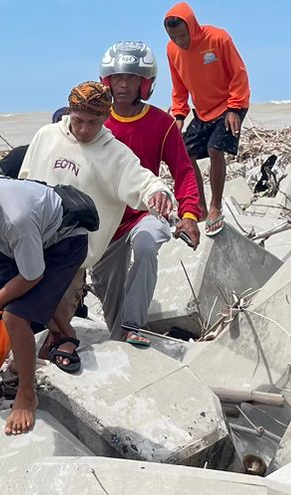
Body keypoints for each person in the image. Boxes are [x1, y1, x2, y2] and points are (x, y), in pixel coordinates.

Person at [0, 155, 173, 435]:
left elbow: (32, 275)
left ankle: (27, 392)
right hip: (18, 245)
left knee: (15, 317)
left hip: (64, 242)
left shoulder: (17, 216)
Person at [18, 81, 175, 368]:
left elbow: (143, 181)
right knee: (17, 314)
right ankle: (16, 368)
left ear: (106, 118)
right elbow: (24, 181)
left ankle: (48, 373)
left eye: (93, 122)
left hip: (72, 257)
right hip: (31, 243)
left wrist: (159, 194)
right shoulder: (46, 136)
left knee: (59, 321)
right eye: (78, 121)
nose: (84, 129)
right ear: (69, 113)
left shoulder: (115, 154)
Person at [99, 41, 204, 346]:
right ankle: (121, 332)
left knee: (147, 245)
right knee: (108, 293)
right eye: (117, 77)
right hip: (105, 220)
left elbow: (183, 171)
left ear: (145, 83)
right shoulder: (96, 122)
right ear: (107, 81)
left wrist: (188, 214)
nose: (123, 84)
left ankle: (135, 325)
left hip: (146, 213)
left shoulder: (162, 123)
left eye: (131, 78)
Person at [164, 2, 250, 236]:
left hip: (231, 104)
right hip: (202, 111)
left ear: (192, 26)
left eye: (183, 35)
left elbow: (239, 74)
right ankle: (199, 207)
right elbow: (178, 85)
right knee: (185, 152)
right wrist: (179, 114)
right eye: (174, 37)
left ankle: (215, 207)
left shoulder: (218, 38)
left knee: (214, 149)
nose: (180, 41)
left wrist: (234, 108)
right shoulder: (172, 50)